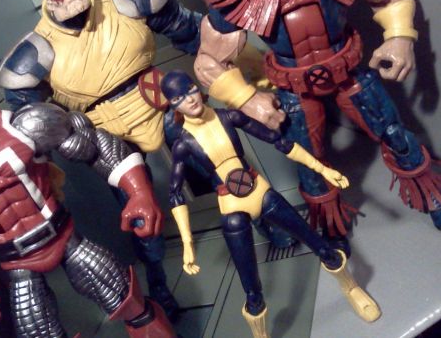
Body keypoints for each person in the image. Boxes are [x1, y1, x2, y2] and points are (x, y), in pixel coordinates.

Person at [197, 0, 441, 244]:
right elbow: (207, 62)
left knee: (394, 133)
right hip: (295, 88)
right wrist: (248, 99)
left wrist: (400, 37)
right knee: (309, 164)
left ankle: (432, 196)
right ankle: (331, 225)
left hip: (347, 71)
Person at [0, 61, 175, 338]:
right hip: (18, 263)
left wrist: (139, 191)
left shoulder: (24, 125)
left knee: (134, 307)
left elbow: (92, 143)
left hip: (66, 237)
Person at [0, 0, 205, 315]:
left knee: (219, 156)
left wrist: (219, 57)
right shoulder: (37, 49)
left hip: (159, 98)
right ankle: (158, 284)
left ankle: (261, 218)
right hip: (106, 131)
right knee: (141, 217)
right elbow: (28, 119)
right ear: (48, 4)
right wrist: (49, 155)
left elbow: (187, 28)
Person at [161, 70, 380, 338]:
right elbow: (175, 193)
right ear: (173, 106)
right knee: (252, 292)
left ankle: (351, 287)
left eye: (190, 89)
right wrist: (187, 243)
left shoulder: (228, 117)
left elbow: (280, 141)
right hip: (231, 206)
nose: (189, 99)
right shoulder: (182, 144)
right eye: (179, 98)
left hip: (260, 191)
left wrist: (322, 169)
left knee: (322, 246)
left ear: (198, 88)